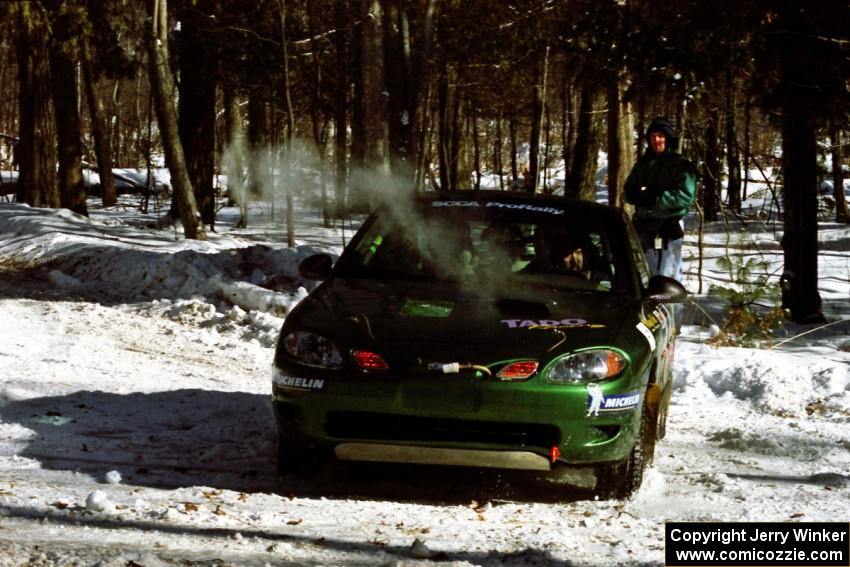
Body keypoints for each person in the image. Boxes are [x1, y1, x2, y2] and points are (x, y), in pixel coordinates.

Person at [624, 117, 697, 283]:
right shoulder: (643, 164)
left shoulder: (681, 165)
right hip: (644, 225)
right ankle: (649, 308)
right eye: (653, 136)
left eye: (661, 136)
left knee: (668, 277)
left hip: (669, 226)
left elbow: (686, 196)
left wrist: (658, 198)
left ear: (668, 138)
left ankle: (671, 309)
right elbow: (628, 191)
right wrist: (639, 196)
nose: (656, 140)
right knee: (646, 275)